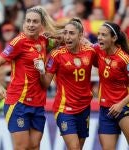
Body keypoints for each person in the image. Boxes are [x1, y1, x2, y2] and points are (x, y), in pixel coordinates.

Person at [0, 5, 63, 150]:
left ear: (41, 25)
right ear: (24, 22)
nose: (30, 25)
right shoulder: (19, 41)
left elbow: (63, 38)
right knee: (22, 147)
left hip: (38, 103)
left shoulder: (44, 41)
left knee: (35, 146)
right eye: (28, 21)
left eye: (35, 22)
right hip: (19, 102)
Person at [34, 18, 96, 150]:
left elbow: (105, 61)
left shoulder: (90, 52)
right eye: (66, 33)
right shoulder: (57, 55)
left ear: (80, 35)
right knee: (74, 147)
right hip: (64, 109)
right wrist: (40, 70)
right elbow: (45, 84)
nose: (67, 37)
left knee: (78, 147)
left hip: (84, 107)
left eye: (72, 33)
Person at [93, 22, 129, 150]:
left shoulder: (125, 59)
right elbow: (84, 44)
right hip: (106, 110)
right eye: (98, 34)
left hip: (124, 108)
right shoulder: (99, 50)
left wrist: (120, 105)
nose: (99, 37)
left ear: (114, 38)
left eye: (103, 35)